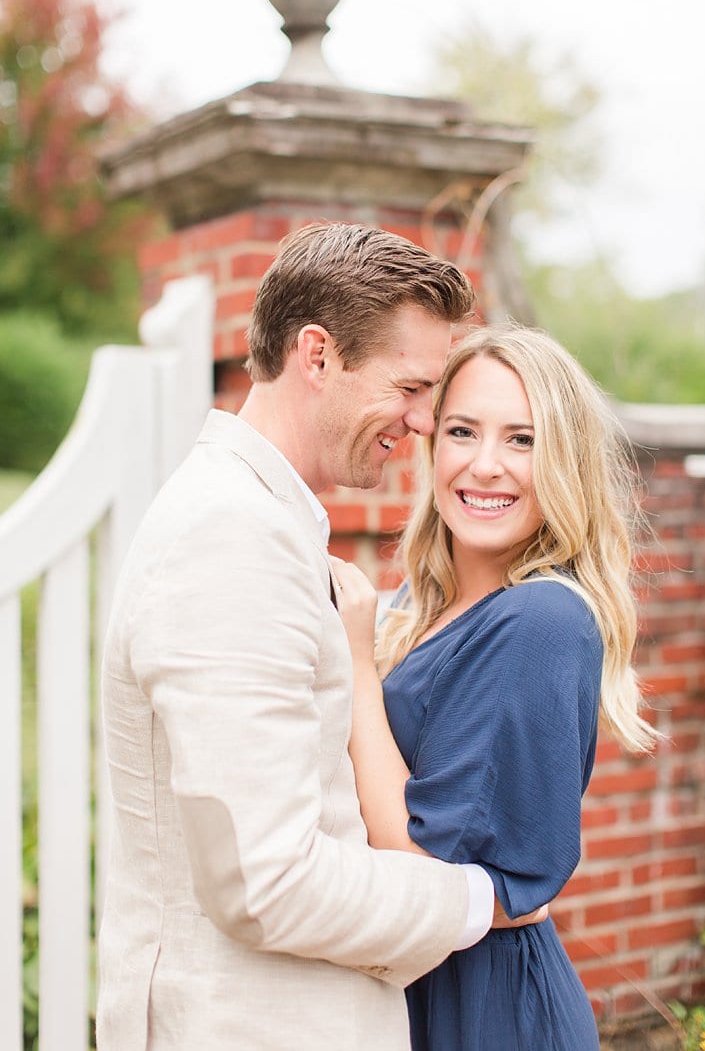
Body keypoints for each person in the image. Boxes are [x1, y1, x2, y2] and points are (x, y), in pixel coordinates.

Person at [96, 224, 515, 1051]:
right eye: (410, 386)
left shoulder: (262, 520)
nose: (427, 422)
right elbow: (268, 880)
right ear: (316, 356)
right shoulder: (229, 535)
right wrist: (477, 901)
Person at [330, 325, 658, 1051]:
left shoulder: (539, 619)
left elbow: (425, 869)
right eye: (462, 431)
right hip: (410, 988)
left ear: (564, 461)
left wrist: (353, 665)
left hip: (484, 1008)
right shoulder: (415, 608)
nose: (485, 466)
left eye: (522, 440)